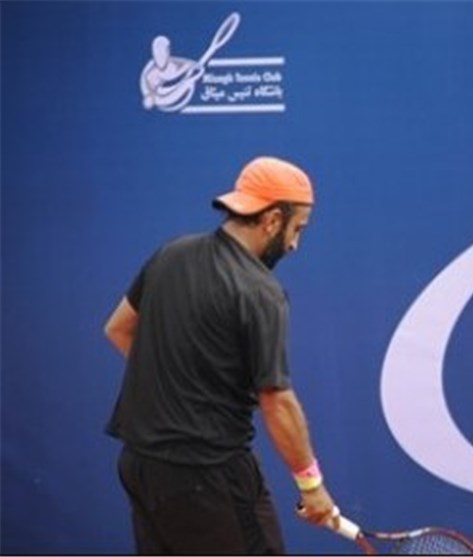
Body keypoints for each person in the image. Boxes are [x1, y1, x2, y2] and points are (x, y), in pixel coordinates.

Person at [104, 156, 337, 554]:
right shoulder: (261, 292)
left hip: (140, 466)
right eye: (297, 228)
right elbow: (277, 402)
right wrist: (311, 486)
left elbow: (118, 328)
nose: (295, 244)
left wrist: (177, 387)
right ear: (273, 220)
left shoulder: (170, 254)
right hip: (208, 476)